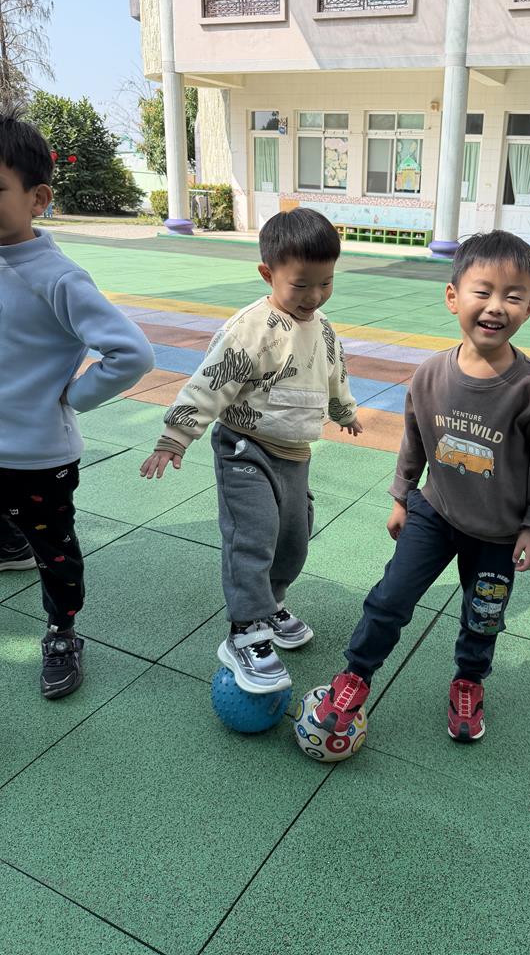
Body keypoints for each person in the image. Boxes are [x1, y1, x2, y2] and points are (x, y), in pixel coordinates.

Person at [314, 231, 530, 742]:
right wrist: (401, 497)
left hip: (499, 532)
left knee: (484, 613)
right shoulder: (429, 375)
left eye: (513, 296)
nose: (496, 306)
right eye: (483, 291)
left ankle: (469, 680)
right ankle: (356, 673)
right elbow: (415, 440)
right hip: (435, 511)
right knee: (390, 597)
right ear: (453, 297)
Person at [140, 208, 361, 694]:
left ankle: (270, 604)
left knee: (293, 539)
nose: (314, 296)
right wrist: (176, 435)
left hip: (295, 455)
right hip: (246, 447)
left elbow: (335, 374)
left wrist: (343, 411)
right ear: (268, 273)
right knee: (253, 535)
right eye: (301, 285)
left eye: (326, 283)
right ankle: (244, 630)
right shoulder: (251, 329)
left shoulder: (323, 328)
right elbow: (211, 381)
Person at [0, 102, 154, 698]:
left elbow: (131, 353)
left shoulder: (56, 277)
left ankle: (62, 631)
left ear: (38, 198)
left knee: (56, 552)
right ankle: (9, 540)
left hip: (38, 456)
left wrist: (72, 398)